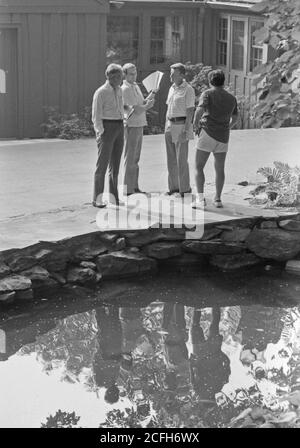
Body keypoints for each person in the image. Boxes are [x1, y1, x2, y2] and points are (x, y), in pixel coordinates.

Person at [192, 69, 238, 209]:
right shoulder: (231, 98)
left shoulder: (207, 94)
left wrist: (195, 125)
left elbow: (200, 110)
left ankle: (200, 200)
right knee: (220, 169)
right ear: (223, 81)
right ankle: (218, 199)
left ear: (210, 81)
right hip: (223, 137)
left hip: (207, 133)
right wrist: (228, 127)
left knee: (199, 167)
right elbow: (235, 118)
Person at [92, 64, 125, 208]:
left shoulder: (119, 90)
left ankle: (113, 197)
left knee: (115, 165)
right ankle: (97, 198)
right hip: (107, 127)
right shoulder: (101, 92)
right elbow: (96, 115)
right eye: (117, 76)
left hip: (119, 126)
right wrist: (101, 132)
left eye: (120, 76)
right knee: (102, 166)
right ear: (109, 77)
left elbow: (122, 107)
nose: (119, 79)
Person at [121, 63, 155, 196]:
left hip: (139, 124)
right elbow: (134, 109)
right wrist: (148, 106)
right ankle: (127, 189)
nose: (134, 76)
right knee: (130, 158)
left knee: (135, 158)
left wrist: (150, 97)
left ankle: (134, 186)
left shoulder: (135, 86)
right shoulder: (125, 89)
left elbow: (141, 104)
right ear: (124, 75)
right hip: (131, 125)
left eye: (135, 73)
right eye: (131, 74)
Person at [165, 63, 195, 197]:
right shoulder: (171, 88)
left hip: (181, 125)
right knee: (170, 159)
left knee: (181, 159)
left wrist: (186, 129)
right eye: (170, 73)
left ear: (182, 75)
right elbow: (168, 107)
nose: (170, 75)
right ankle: (173, 188)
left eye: (173, 73)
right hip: (169, 125)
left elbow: (190, 111)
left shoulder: (188, 89)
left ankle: (185, 189)